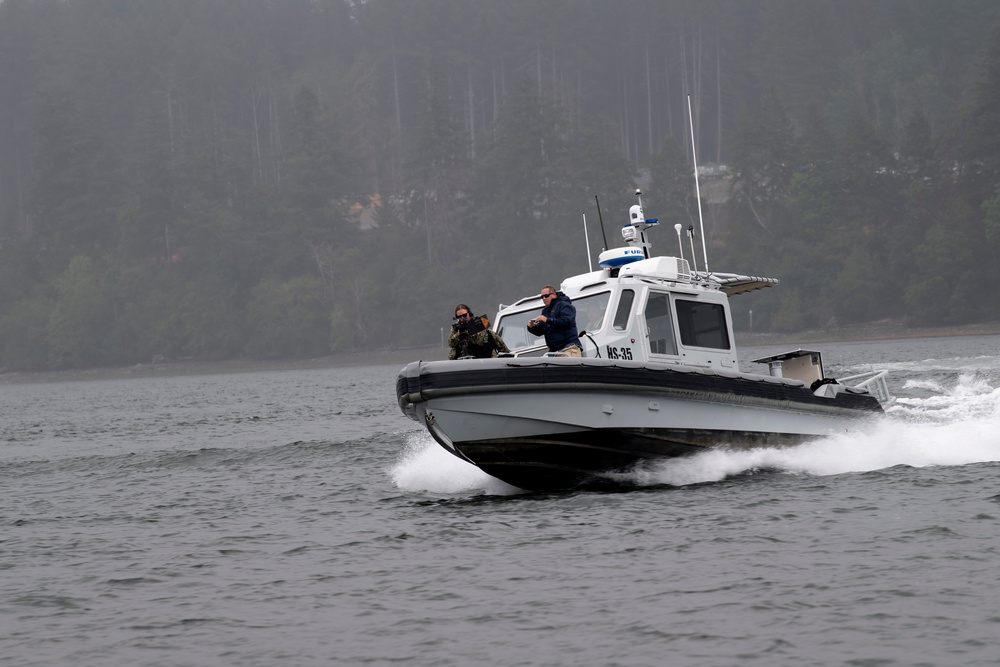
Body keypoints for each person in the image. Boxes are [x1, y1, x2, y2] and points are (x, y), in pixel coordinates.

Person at [526, 285, 582, 357]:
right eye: (542, 297)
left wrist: (547, 320)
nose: (544, 298)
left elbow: (567, 322)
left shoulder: (564, 305)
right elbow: (540, 331)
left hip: (568, 348)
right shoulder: (545, 311)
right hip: (554, 352)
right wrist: (532, 327)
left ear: (554, 295)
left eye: (546, 296)